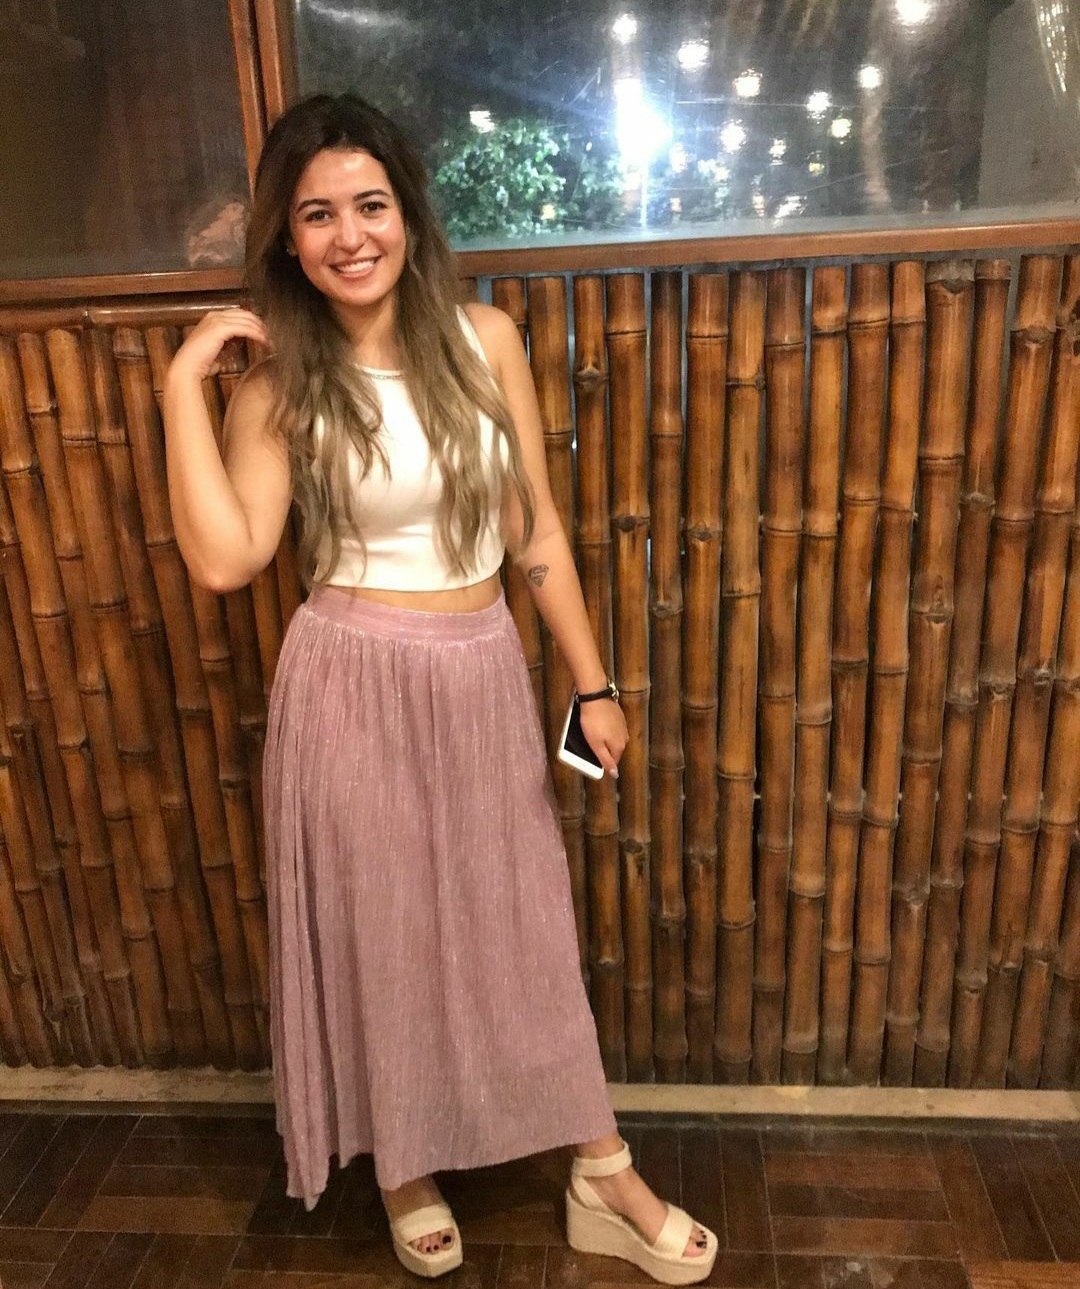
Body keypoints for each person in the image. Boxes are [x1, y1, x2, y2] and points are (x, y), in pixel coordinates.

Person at [163, 92, 718, 1285]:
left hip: (480, 674)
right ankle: (404, 1163)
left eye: (369, 203)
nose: (349, 234)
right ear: (288, 240)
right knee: (385, 936)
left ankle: (600, 1169)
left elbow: (535, 531)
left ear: (408, 213)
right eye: (317, 214)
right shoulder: (280, 388)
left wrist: (594, 683)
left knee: (522, 926)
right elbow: (225, 558)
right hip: (348, 683)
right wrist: (185, 382)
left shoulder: (486, 339)